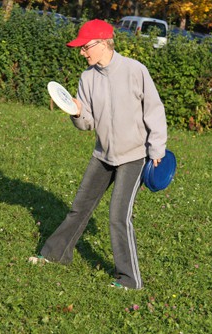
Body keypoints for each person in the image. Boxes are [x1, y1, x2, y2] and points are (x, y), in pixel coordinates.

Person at [30, 19, 167, 290]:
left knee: (118, 216)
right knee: (79, 207)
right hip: (103, 155)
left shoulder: (134, 70)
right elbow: (87, 123)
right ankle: (56, 254)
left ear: (104, 44)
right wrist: (76, 112)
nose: (82, 52)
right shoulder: (87, 78)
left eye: (85, 47)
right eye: (81, 48)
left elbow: (154, 109)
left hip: (134, 156)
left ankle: (129, 280)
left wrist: (157, 148)